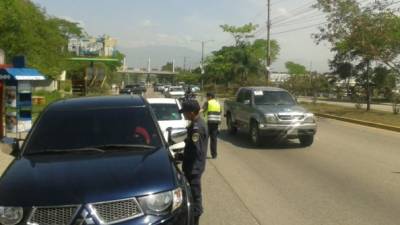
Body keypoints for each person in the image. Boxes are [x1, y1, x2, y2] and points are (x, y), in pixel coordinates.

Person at [179, 100, 208, 225]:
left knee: (195, 195)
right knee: (191, 193)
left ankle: (195, 220)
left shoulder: (197, 127)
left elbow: (197, 151)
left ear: (191, 113)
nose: (184, 115)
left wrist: (187, 159)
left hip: (193, 168)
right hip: (192, 166)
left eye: (184, 112)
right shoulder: (195, 123)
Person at [202, 92, 221, 159]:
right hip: (216, 124)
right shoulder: (218, 103)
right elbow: (220, 112)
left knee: (204, 139)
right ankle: (214, 155)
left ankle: (203, 154)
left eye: (207, 97)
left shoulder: (208, 103)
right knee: (214, 140)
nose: (206, 98)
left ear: (209, 97)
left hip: (208, 123)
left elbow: (202, 110)